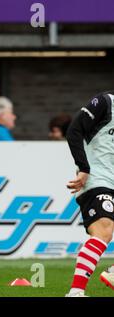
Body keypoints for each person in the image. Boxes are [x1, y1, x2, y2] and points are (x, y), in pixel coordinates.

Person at [65, 93, 114, 297]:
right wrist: (83, 168)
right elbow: (74, 131)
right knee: (104, 230)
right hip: (97, 179)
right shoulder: (105, 102)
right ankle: (75, 292)